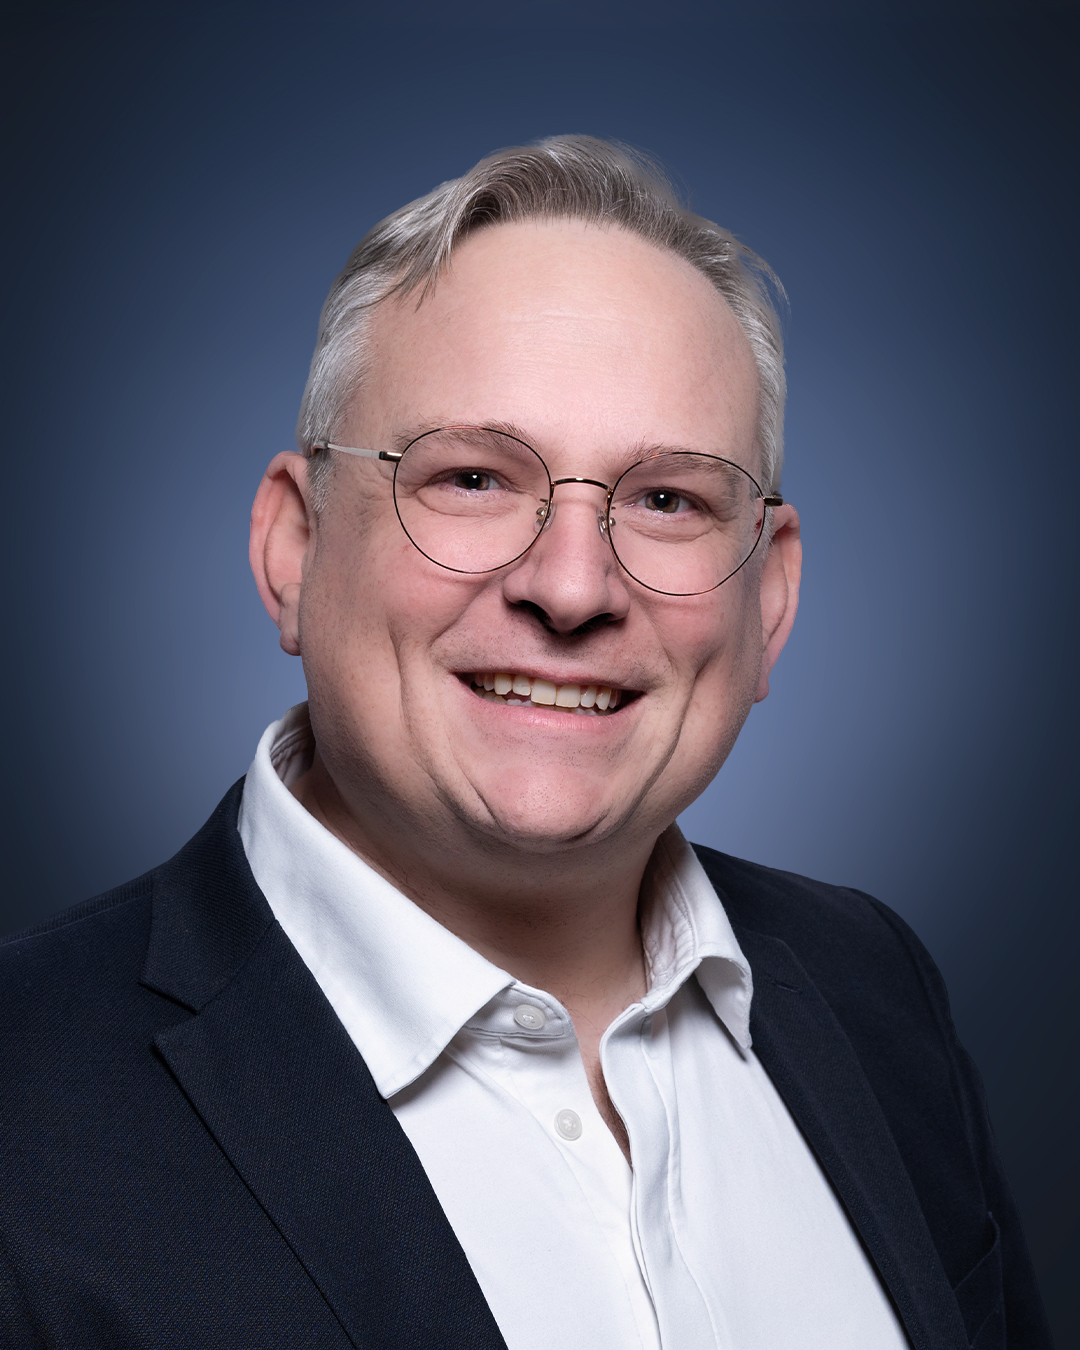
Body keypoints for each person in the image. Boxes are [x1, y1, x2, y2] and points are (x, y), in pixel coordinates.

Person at [0, 136, 1052, 1350]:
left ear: (769, 605)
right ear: (294, 548)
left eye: (667, 500)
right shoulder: (25, 1101)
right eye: (472, 479)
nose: (570, 586)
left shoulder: (872, 987)